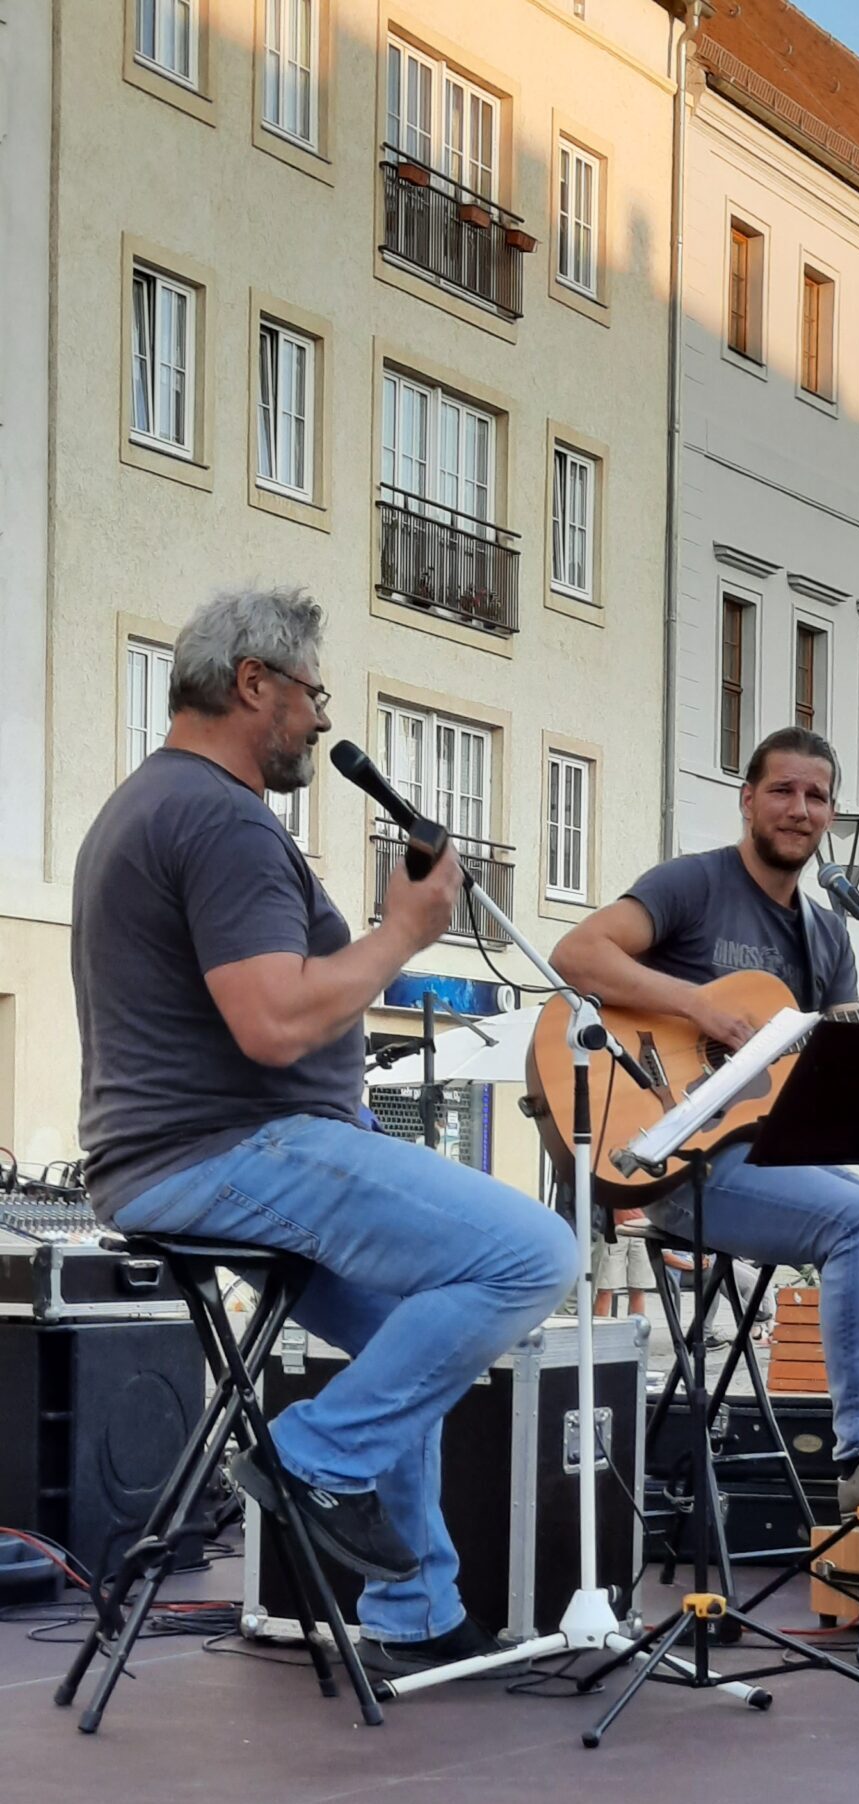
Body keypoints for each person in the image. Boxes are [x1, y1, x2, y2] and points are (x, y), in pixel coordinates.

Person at [71, 586, 578, 1676]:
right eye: (312, 695)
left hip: (183, 1157)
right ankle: (309, 1460)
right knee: (537, 1251)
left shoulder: (152, 803)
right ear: (254, 683)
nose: (319, 720)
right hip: (225, 1150)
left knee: (416, 1330)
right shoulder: (219, 815)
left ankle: (414, 1608)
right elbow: (271, 1018)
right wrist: (402, 932)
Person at [550, 726, 859, 1522]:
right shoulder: (691, 887)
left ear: (830, 814)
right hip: (683, 1160)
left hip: (785, 1158)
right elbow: (576, 954)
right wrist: (697, 1005)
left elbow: (842, 1070)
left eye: (816, 796)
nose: (799, 808)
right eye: (782, 790)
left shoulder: (826, 934)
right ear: (746, 799)